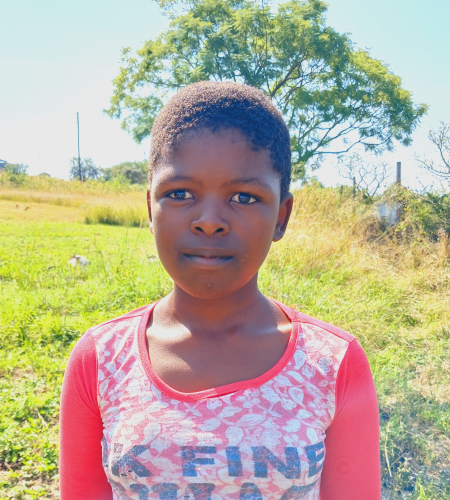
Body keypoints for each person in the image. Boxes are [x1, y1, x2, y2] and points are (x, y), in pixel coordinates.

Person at [60, 81, 380, 500]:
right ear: (150, 208)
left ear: (281, 216)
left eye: (244, 197)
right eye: (180, 194)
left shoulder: (332, 364)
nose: (209, 221)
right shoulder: (100, 360)